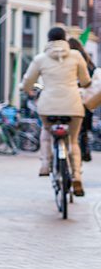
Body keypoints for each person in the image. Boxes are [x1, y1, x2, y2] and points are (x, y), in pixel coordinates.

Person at [21, 27, 91, 196]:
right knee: (73, 141)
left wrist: (26, 88)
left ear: (48, 39)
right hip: (73, 105)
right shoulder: (76, 56)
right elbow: (86, 80)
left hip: (48, 105)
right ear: (65, 39)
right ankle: (76, 176)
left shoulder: (40, 58)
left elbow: (27, 82)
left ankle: (45, 164)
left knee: (46, 132)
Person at [68, 38, 96, 161]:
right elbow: (91, 81)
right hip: (86, 100)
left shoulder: (68, 60)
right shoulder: (88, 62)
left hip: (70, 99)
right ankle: (84, 147)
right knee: (83, 128)